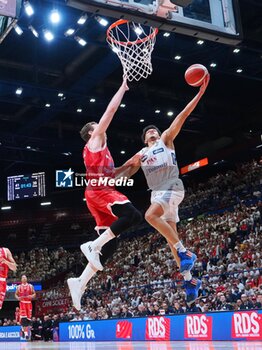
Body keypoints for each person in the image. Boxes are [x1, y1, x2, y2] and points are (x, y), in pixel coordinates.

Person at [121, 75, 210, 305]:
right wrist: (113, 172)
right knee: (171, 242)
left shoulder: (166, 140)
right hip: (157, 193)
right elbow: (127, 173)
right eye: (149, 132)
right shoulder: (141, 154)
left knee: (150, 216)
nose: (153, 131)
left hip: (172, 186)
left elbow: (182, 116)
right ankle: (190, 281)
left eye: (155, 130)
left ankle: (186, 252)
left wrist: (198, 94)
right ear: (144, 139)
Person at [67, 78, 142, 310]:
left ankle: (79, 282)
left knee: (110, 248)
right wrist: (122, 88)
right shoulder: (95, 141)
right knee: (134, 215)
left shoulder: (104, 152)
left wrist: (130, 164)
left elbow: (117, 177)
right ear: (91, 132)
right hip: (99, 192)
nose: (100, 127)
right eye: (96, 126)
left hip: (99, 191)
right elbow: (110, 111)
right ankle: (92, 245)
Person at [15, 275, 36, 339]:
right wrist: (18, 297)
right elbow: (15, 294)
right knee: (24, 319)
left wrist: (32, 296)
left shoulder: (30, 286)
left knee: (28, 320)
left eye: (25, 277)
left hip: (29, 304)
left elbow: (34, 294)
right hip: (22, 303)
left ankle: (24, 331)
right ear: (21, 279)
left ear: (27, 279)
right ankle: (26, 334)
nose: (24, 278)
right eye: (23, 277)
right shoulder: (19, 287)